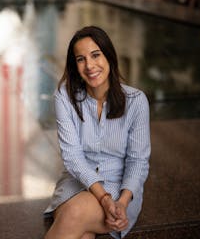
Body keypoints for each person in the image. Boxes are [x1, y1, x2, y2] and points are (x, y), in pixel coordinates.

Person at [43, 26, 151, 239]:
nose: (89, 65)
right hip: (75, 183)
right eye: (80, 59)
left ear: (109, 56)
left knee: (73, 215)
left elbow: (138, 161)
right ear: (75, 65)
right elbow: (72, 157)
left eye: (95, 55)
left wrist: (121, 200)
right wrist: (103, 198)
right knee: (79, 226)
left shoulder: (136, 102)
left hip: (121, 189)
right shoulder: (65, 97)